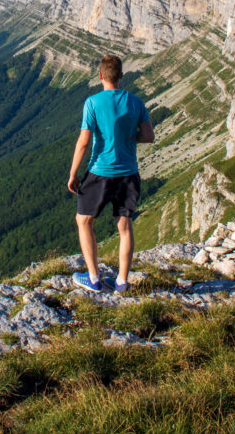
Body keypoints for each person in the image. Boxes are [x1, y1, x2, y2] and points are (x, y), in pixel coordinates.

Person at [67, 54, 154, 294]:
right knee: (124, 226)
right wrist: (129, 136)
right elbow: (149, 136)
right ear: (121, 77)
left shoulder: (92, 103)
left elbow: (84, 141)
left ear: (100, 76)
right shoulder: (136, 102)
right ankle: (122, 282)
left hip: (100, 172)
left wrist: (73, 173)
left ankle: (94, 279)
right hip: (129, 173)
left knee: (84, 220)